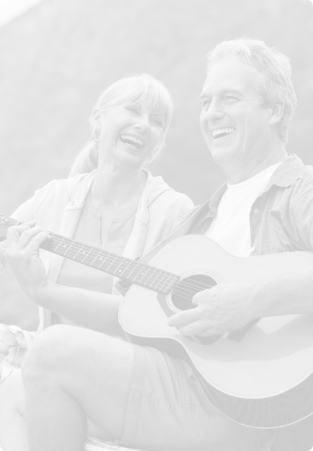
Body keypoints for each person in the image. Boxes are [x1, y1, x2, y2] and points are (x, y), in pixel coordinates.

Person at [5, 38, 313, 451]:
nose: (212, 113)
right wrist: (44, 291)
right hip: (187, 389)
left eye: (230, 98)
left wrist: (250, 301)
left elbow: (244, 305)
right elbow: (135, 314)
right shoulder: (201, 219)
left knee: (51, 353)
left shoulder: (300, 190)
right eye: (205, 102)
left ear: (274, 110)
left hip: (251, 411)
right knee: (23, 379)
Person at [0, 73, 194, 451]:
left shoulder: (175, 212)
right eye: (133, 110)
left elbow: (149, 319)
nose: (144, 124)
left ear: (157, 145)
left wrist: (43, 290)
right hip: (52, 366)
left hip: (127, 385)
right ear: (97, 120)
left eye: (156, 121)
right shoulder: (55, 197)